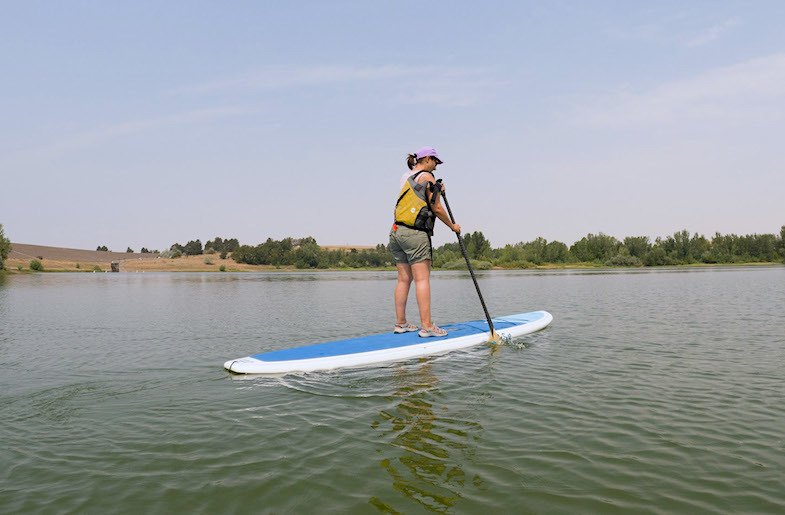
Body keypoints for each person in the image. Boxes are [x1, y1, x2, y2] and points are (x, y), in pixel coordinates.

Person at [388, 146, 461, 337]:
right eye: (435, 161)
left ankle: (401, 323)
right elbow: (436, 208)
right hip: (415, 234)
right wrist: (452, 225)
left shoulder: (406, 175)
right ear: (427, 158)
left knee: (403, 279)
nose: (437, 166)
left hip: (397, 232)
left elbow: (418, 195)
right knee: (422, 279)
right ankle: (427, 326)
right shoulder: (426, 176)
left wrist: (436, 188)